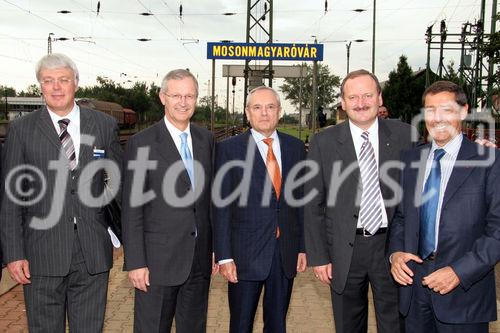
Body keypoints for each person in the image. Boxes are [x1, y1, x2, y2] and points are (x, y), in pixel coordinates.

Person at [0, 53, 122, 332]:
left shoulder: (103, 125)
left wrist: (123, 237)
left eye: (63, 80)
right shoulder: (21, 130)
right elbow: (10, 198)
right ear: (40, 86)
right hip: (41, 252)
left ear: (76, 83)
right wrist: (14, 253)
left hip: (92, 252)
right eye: (48, 81)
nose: (56, 87)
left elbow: (119, 186)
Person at [305, 69, 416, 333]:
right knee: (348, 325)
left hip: (391, 248)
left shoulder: (406, 136)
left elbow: (423, 185)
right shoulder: (324, 142)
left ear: (380, 98)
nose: (361, 103)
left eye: (367, 95)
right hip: (343, 250)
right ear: (342, 103)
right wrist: (319, 257)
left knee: (395, 324)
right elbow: (313, 204)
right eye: (353, 97)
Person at [389, 80, 500, 332]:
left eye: (446, 109)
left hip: (464, 294)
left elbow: (497, 231)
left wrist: (459, 272)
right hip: (413, 290)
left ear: (463, 111)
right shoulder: (410, 160)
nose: (437, 118)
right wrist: (395, 254)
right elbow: (400, 218)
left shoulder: (490, 161)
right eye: (430, 110)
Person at [122, 69, 216, 333]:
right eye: (176, 95)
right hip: (156, 262)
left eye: (189, 96)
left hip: (198, 262)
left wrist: (214, 250)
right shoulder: (142, 143)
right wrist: (136, 262)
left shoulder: (205, 140)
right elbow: (132, 208)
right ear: (163, 97)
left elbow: (208, 201)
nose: (183, 102)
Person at [213, 86, 307, 333]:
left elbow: (301, 202)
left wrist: (302, 247)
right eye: (257, 107)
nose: (264, 113)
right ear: (247, 113)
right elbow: (221, 206)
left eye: (270, 107)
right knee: (241, 324)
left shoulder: (296, 148)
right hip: (244, 255)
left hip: (284, 253)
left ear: (279, 112)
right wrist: (224, 256)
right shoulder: (228, 149)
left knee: (277, 325)